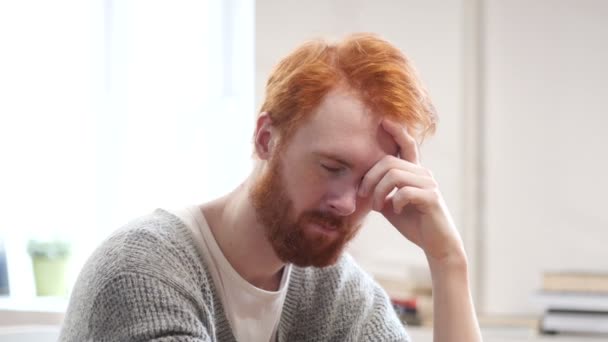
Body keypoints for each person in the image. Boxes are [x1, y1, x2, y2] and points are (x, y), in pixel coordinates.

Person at [59, 33, 482, 342]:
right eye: (332, 167)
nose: (345, 202)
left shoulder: (336, 294)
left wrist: (447, 260)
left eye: (369, 181)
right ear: (266, 139)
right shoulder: (143, 273)